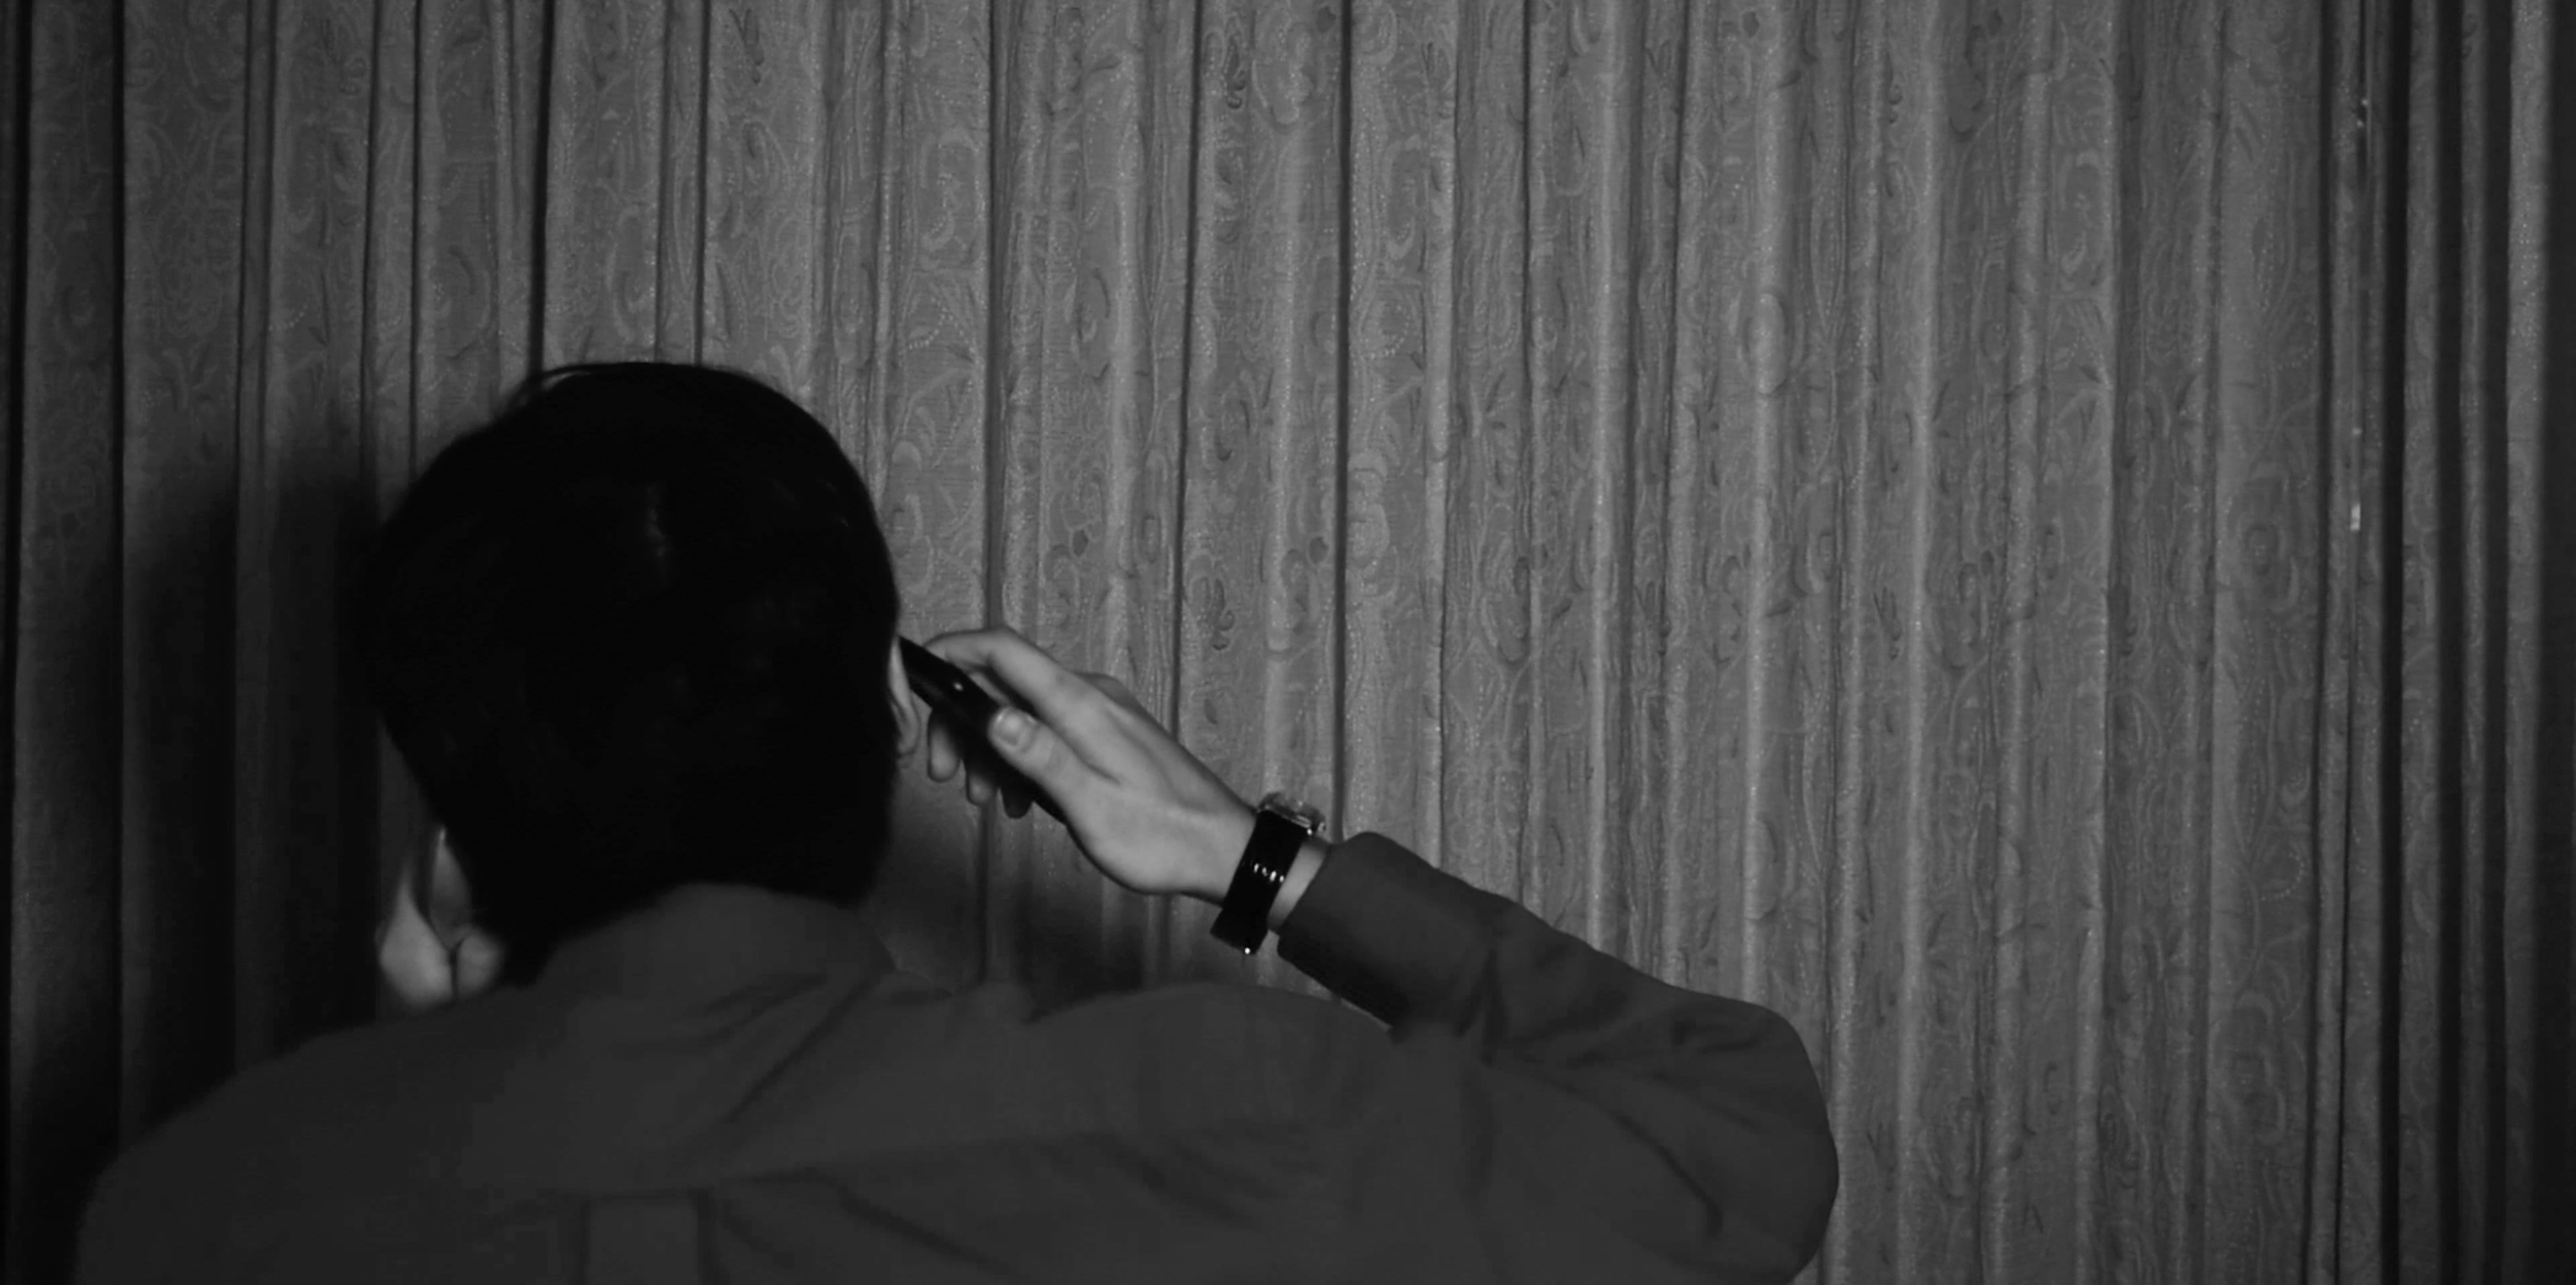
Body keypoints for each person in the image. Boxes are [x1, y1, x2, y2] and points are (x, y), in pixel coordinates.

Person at [75, 361, 1836, 1283]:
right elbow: (1731, 1146)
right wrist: (1247, 857)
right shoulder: (1231, 1122)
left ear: (449, 817)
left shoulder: (186, 1213)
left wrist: (417, 1077)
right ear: (876, 715)